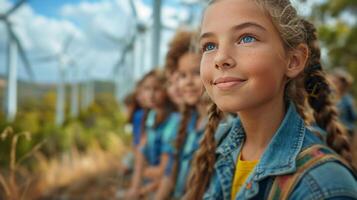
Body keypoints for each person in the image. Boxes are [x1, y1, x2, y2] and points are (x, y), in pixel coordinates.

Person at [185, 0, 357, 199]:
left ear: (293, 60)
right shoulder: (220, 144)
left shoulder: (323, 186)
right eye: (210, 45)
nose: (220, 58)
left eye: (246, 38)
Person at [156, 30, 211, 200]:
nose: (187, 82)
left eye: (196, 73)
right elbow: (169, 176)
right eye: (182, 75)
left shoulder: (225, 127)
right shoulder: (185, 124)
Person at [126, 69, 180, 199]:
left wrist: (142, 176)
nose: (150, 95)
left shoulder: (174, 121)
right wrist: (135, 187)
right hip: (151, 185)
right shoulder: (151, 116)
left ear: (166, 91)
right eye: (146, 89)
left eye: (156, 89)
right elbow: (141, 154)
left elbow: (164, 171)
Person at [329, 68, 357, 136]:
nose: (335, 84)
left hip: (344, 129)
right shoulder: (328, 95)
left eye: (338, 82)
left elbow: (353, 117)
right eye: (334, 81)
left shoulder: (348, 100)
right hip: (329, 128)